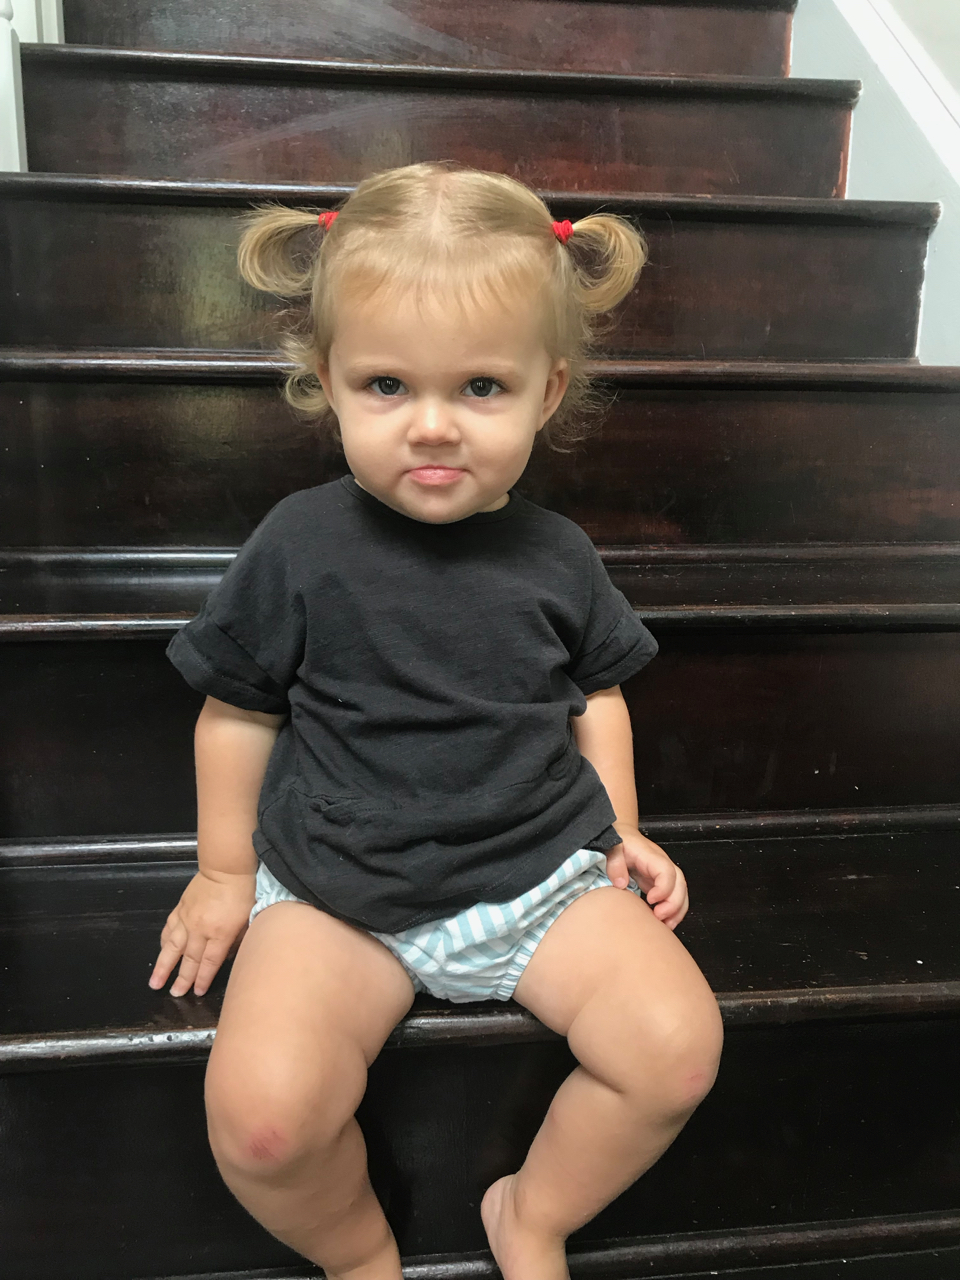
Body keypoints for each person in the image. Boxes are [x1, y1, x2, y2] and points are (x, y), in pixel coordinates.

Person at [150, 160, 724, 1280]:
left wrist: (621, 828)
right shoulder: (299, 543)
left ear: (549, 392)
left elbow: (598, 695)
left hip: (538, 875)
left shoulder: (558, 556)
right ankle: (359, 1252)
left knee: (676, 1050)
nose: (431, 427)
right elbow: (235, 711)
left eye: (481, 388)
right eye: (385, 385)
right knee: (263, 1122)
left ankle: (532, 1216)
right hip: (339, 893)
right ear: (326, 380)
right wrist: (223, 871)